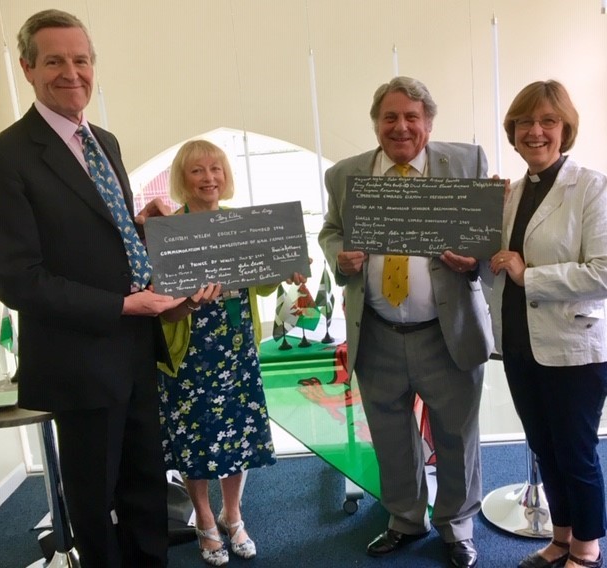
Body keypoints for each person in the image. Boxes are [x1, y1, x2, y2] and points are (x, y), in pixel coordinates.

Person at [0, 9, 196, 567]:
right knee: (96, 505)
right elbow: (18, 278)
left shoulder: (107, 142)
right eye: (54, 61)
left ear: (94, 66)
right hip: (79, 361)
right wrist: (123, 304)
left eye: (81, 60)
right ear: (26, 67)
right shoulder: (2, 157)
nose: (71, 73)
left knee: (148, 490)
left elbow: (102, 233)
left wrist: (141, 226)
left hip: (137, 351)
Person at [318, 76, 494, 568]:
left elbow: (489, 235)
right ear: (376, 123)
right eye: (389, 117)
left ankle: (457, 525)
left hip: (445, 331)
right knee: (391, 433)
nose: (401, 127)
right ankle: (404, 518)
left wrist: (473, 259)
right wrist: (340, 257)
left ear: (429, 123)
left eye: (411, 117)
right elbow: (330, 231)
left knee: (457, 436)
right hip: (375, 331)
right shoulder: (344, 175)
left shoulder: (465, 163)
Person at [156, 139, 307, 566]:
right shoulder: (170, 230)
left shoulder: (242, 223)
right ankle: (205, 519)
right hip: (189, 350)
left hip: (236, 346)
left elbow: (258, 283)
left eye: (216, 169)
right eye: (198, 171)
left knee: (238, 433)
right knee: (195, 436)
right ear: (183, 181)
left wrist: (286, 270)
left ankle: (232, 513)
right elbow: (160, 303)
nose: (209, 178)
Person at [489, 80, 607, 568]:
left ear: (565, 129)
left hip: (573, 347)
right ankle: (560, 539)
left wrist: (528, 274)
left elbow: (602, 272)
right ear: (512, 132)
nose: (534, 132)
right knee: (543, 447)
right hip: (518, 343)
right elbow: (496, 261)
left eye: (547, 122)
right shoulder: (512, 194)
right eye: (523, 123)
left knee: (575, 453)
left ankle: (587, 548)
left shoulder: (592, 187)